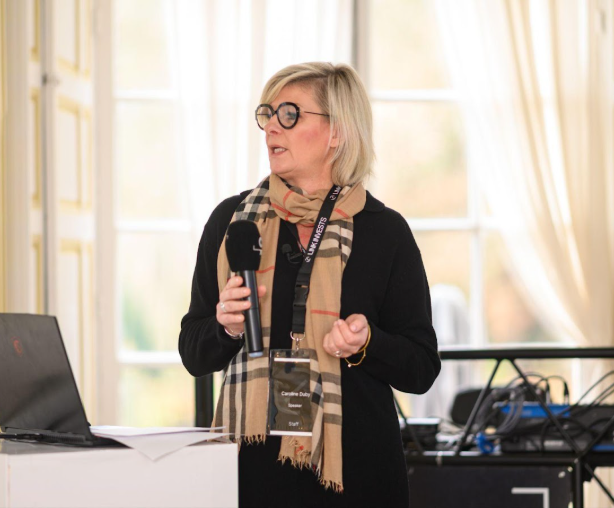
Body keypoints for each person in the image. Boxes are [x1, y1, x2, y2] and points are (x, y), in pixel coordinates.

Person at [179, 62, 440, 508]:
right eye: (268, 114)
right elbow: (193, 352)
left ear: (336, 132)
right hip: (252, 475)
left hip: (356, 476)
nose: (271, 129)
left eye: (290, 115)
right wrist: (226, 328)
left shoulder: (385, 232)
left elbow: (421, 368)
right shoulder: (233, 222)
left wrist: (366, 343)